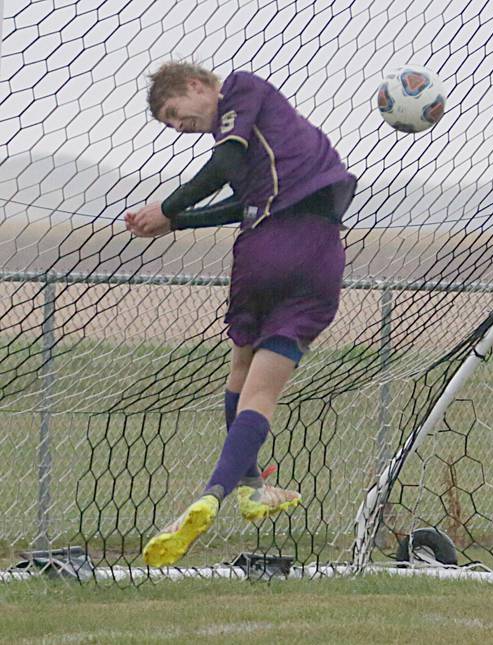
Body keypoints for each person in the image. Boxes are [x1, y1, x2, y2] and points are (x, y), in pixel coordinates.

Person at [125, 62, 356, 567]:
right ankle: (222, 491)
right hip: (315, 250)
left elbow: (227, 168)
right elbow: (239, 197)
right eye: (169, 124)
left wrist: (168, 209)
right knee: (263, 391)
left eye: (174, 113)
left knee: (242, 373)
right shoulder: (260, 138)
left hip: (262, 251)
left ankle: (246, 488)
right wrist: (175, 221)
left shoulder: (242, 90)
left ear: (196, 85)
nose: (177, 126)